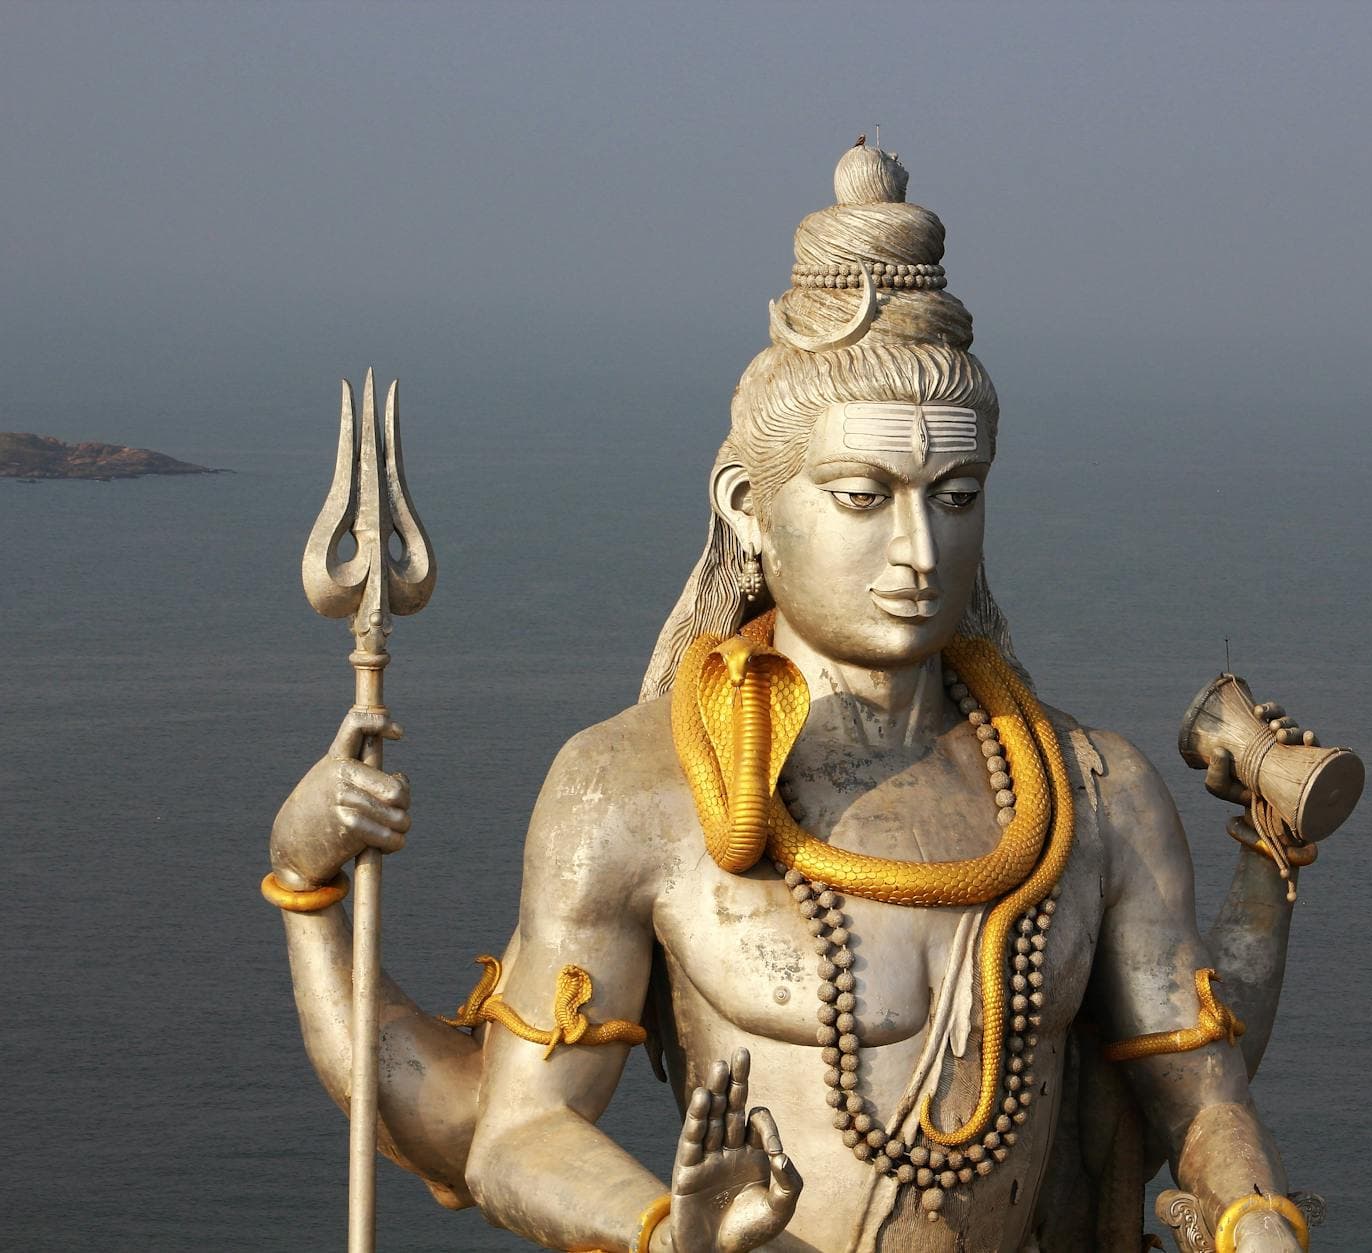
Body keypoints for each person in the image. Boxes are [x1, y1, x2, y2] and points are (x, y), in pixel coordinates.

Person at [266, 144, 1308, 1253]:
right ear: (748, 503)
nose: (917, 549)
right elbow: (515, 1126)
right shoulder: (636, 787)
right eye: (862, 496)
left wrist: (1251, 1215)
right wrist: (667, 1227)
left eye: (955, 497)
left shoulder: (1090, 793)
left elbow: (1196, 1089)